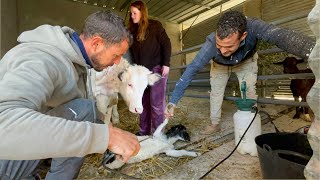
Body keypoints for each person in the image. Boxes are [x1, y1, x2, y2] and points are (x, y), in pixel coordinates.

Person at [0, 10, 140, 179]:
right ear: (96, 43)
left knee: (89, 112)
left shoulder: (78, 63)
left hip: (20, 156)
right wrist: (106, 137)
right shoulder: (41, 59)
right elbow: (5, 126)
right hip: (5, 158)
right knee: (85, 110)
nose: (117, 61)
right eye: (116, 55)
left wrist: (107, 134)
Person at [165, 11, 315, 135]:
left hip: (246, 62)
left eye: (228, 46)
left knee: (249, 92)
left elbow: (280, 36)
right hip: (220, 66)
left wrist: (315, 51)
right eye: (219, 45)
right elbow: (191, 69)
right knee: (216, 93)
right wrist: (173, 101)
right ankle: (214, 123)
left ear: (243, 36)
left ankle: (250, 125)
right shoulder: (211, 45)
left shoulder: (254, 26)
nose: (222, 51)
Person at [128, 1, 172, 135]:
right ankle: (144, 131)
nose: (132, 16)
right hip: (141, 74)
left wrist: (166, 63)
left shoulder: (155, 26)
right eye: (131, 13)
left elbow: (166, 44)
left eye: (135, 13)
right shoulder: (132, 31)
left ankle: (158, 133)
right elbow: (131, 53)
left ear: (142, 12)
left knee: (156, 103)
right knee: (143, 102)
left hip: (156, 70)